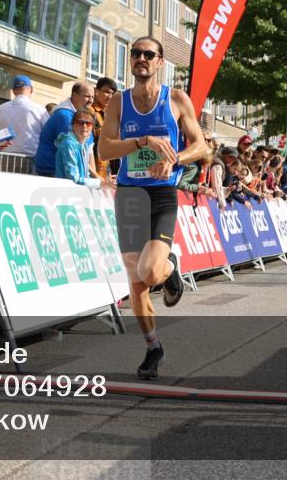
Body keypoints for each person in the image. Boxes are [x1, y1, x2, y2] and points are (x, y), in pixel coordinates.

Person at [98, 36, 206, 380]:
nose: (141, 59)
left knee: (149, 270)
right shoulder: (118, 102)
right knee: (136, 281)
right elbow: (104, 151)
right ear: (131, 61)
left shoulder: (176, 100)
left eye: (148, 54)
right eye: (136, 54)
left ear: (160, 62)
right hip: (130, 194)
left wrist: (174, 162)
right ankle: (152, 348)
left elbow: (202, 146)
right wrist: (143, 141)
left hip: (160, 194)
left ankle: (170, 268)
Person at [34, 81, 94, 177]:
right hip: (51, 172)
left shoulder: (82, 117)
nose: (91, 100)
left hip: (65, 171)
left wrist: (95, 178)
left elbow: (88, 149)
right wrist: (97, 179)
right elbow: (73, 152)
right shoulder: (65, 116)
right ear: (75, 96)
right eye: (87, 96)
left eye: (93, 97)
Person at [0, 75, 48, 158]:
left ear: (13, 91)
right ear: (31, 90)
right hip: (31, 157)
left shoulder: (0, 109)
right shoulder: (40, 110)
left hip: (5, 158)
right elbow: (48, 134)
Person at [55, 109, 111, 189]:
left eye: (88, 123)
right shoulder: (68, 144)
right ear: (72, 125)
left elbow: (85, 173)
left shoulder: (83, 143)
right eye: (80, 122)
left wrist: (100, 180)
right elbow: (74, 179)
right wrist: (101, 183)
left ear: (92, 127)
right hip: (65, 192)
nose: (84, 126)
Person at [91, 77, 117, 179]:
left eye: (113, 93)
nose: (110, 96)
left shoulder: (109, 114)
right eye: (107, 92)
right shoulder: (90, 112)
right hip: (94, 171)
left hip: (106, 170)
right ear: (96, 92)